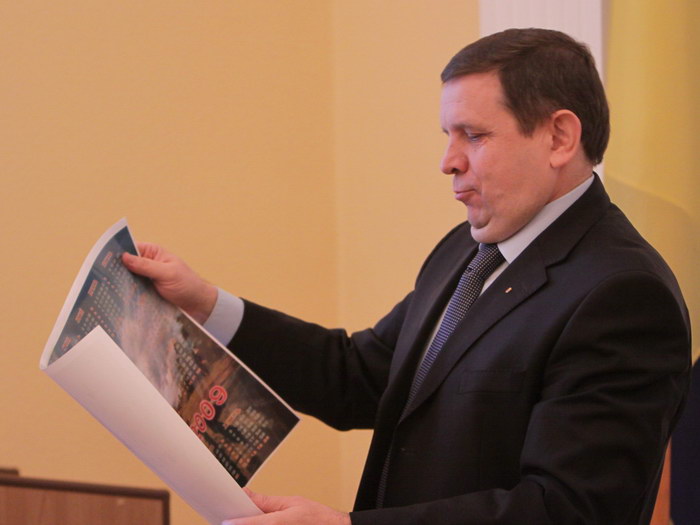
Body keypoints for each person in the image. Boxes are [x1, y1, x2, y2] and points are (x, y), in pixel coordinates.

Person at [123, 28, 691, 525]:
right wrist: (205, 304)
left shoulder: (623, 295)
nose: (448, 161)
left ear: (559, 138)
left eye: (475, 135)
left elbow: (566, 510)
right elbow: (357, 376)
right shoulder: (467, 248)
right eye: (448, 135)